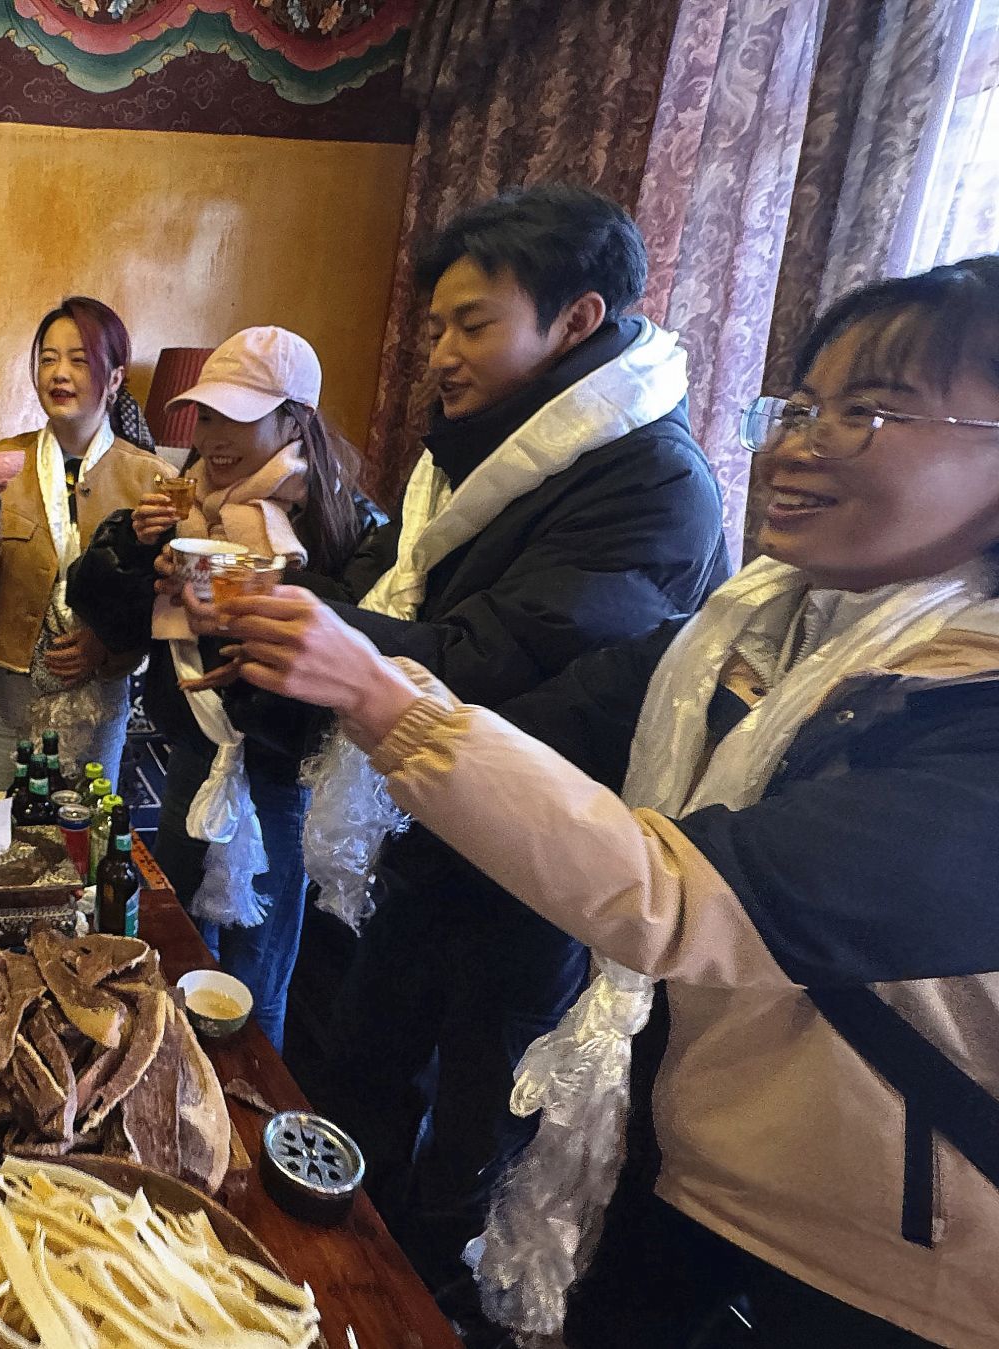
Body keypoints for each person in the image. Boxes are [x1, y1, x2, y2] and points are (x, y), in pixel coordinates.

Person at [223, 257, 999, 1347]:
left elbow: (685, 897)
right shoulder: (743, 632)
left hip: (890, 1259)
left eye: (868, 411)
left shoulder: (971, 713)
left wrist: (376, 692)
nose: (799, 444)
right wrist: (332, 672)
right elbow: (549, 719)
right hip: (682, 1159)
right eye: (799, 406)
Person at [288, 183, 730, 1297]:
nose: (439, 352)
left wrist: (322, 641)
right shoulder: (469, 458)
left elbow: (502, 656)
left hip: (541, 871)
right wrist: (294, 613)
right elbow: (389, 598)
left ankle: (425, 1302)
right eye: (436, 325)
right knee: (361, 1064)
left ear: (576, 319)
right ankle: (333, 1276)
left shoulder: (652, 482)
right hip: (433, 827)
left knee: (478, 1130)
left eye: (471, 324)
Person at [70, 326, 383, 1048]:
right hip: (193, 749)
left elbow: (361, 642)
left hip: (283, 771)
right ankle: (173, 1071)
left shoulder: (348, 521)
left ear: (294, 420)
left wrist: (262, 594)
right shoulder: (180, 507)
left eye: (238, 418)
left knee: (258, 972)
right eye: (207, 416)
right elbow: (102, 611)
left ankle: (252, 1099)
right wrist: (133, 548)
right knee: (175, 939)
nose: (213, 437)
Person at [0, 297, 164, 790]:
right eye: (48, 359)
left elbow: (159, 599)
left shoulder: (149, 479)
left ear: (114, 378)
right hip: (12, 686)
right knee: (7, 816)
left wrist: (104, 643)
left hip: (100, 688)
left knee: (88, 820)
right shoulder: (2, 461)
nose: (59, 373)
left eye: (79, 360)